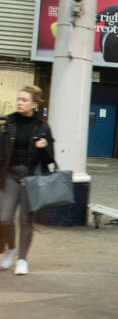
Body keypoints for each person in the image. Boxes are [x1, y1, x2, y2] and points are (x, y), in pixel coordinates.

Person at [0, 85, 55, 275]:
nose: (19, 103)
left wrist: (44, 146)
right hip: (11, 175)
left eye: (24, 100)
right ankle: (11, 248)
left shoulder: (42, 127)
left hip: (31, 178)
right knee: (4, 218)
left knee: (25, 220)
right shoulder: (9, 123)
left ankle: (22, 259)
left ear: (34, 103)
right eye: (18, 99)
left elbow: (50, 159)